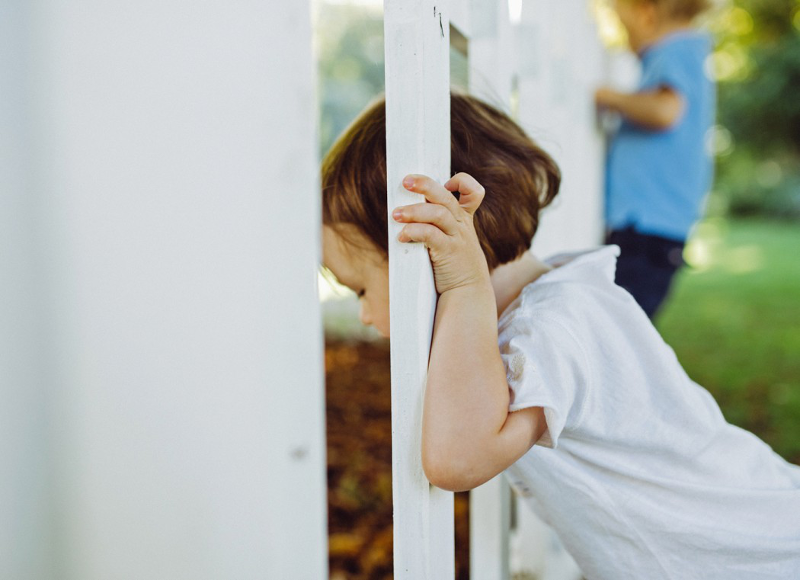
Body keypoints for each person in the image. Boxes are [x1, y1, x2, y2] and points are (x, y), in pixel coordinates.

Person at [321, 93, 800, 579]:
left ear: (435, 248)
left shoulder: (554, 326)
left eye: (361, 287)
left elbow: (455, 460)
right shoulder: (562, 300)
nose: (362, 314)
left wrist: (465, 286)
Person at [595, 0, 716, 318]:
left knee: (621, 329)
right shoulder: (687, 53)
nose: (625, 41)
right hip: (653, 228)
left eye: (625, 28)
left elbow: (665, 112)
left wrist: (610, 97)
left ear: (646, 14)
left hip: (645, 227)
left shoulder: (675, 49)